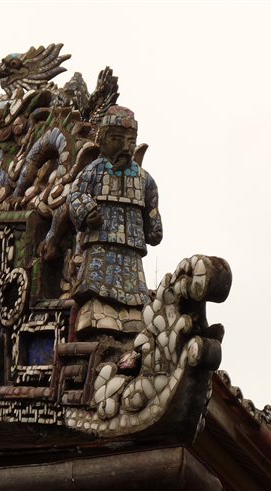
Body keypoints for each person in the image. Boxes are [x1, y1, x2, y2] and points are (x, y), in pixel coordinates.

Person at [66, 106, 163, 335]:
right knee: (99, 291)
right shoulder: (93, 171)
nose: (124, 147)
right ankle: (98, 319)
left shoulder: (144, 180)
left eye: (130, 141)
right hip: (100, 246)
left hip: (132, 250)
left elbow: (151, 208)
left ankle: (132, 323)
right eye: (117, 139)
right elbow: (75, 195)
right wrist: (87, 211)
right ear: (103, 140)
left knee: (134, 293)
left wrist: (154, 228)